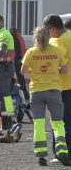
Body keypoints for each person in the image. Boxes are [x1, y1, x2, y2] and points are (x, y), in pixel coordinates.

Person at [21, 25, 70, 166]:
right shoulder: (57, 51)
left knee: (39, 123)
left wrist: (35, 68)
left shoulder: (31, 52)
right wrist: (53, 68)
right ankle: (61, 151)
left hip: (36, 92)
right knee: (57, 123)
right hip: (54, 91)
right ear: (48, 36)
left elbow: (23, 71)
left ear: (35, 37)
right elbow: (64, 70)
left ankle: (41, 155)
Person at [43, 14, 71, 162]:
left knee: (59, 121)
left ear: (54, 29)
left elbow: (59, 65)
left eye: (48, 31)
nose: (48, 34)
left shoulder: (60, 41)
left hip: (63, 86)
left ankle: (62, 153)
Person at [10, 28, 29, 100]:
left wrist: (21, 60)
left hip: (18, 61)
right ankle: (11, 94)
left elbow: (22, 50)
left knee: (21, 79)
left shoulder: (19, 38)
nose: (14, 33)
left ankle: (25, 95)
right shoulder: (9, 39)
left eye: (15, 32)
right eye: (13, 32)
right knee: (11, 79)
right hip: (11, 62)